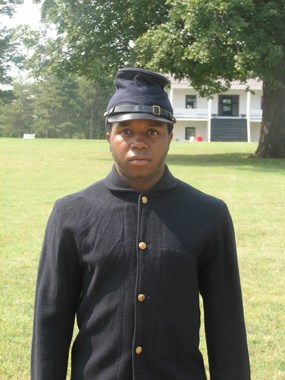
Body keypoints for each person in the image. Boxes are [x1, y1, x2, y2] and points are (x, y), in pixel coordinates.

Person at [31, 68, 250, 380]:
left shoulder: (208, 214)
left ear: (170, 137)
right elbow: (50, 321)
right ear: (108, 137)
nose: (139, 142)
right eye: (126, 131)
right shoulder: (70, 214)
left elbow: (226, 325)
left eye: (152, 131)